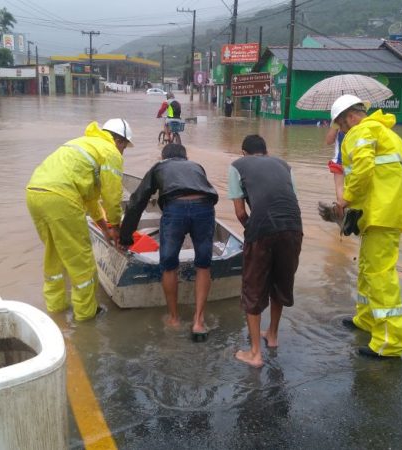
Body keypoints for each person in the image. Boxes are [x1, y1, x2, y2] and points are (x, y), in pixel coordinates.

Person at [330, 94, 402, 359]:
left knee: (380, 275)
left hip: (383, 213)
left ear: (350, 117)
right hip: (381, 212)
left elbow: (363, 169)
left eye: (341, 125)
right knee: (368, 269)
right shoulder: (384, 132)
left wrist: (345, 199)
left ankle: (388, 342)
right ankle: (367, 320)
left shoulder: (363, 130)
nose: (342, 131)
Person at [26, 119, 133, 321]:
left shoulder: (85, 143)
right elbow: (112, 197)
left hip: (34, 193)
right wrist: (116, 227)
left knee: (54, 255)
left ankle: (56, 309)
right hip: (61, 197)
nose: (123, 152)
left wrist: (104, 228)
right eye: (124, 147)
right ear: (119, 140)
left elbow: (91, 200)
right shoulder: (110, 153)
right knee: (82, 261)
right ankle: (86, 316)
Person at [119, 143, 218, 340]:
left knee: (169, 266)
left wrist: (125, 237)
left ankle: (174, 319)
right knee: (203, 265)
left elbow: (137, 202)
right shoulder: (196, 166)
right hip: (205, 208)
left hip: (176, 210)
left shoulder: (159, 167)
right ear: (186, 157)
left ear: (163, 157)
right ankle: (198, 322)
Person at [229, 135, 303, 368]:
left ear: (243, 152)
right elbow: (292, 199)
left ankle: (255, 354)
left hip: (262, 229)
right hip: (293, 228)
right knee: (280, 283)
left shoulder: (237, 166)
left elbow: (241, 213)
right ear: (266, 151)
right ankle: (272, 335)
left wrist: (253, 232)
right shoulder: (284, 165)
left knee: (253, 288)